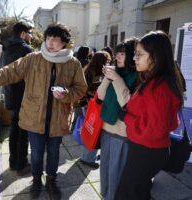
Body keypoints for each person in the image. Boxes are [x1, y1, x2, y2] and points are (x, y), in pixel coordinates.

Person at [0, 23, 87, 200]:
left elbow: (80, 88)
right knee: (37, 154)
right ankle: (37, 181)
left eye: (55, 39)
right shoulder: (33, 58)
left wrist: (66, 94)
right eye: (48, 38)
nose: (50, 43)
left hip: (58, 118)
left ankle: (52, 181)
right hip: (34, 118)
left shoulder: (73, 63)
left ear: (64, 43)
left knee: (54, 154)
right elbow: (8, 72)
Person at [115, 31, 183, 200]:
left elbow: (153, 129)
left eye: (140, 54)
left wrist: (126, 117)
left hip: (147, 151)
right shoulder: (158, 82)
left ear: (155, 57)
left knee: (127, 194)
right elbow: (169, 122)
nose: (134, 58)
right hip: (148, 149)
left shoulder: (158, 88)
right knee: (138, 191)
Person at [97, 38, 137, 200]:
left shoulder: (137, 76)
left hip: (122, 132)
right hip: (106, 127)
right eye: (116, 54)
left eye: (122, 54)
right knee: (105, 170)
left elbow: (128, 103)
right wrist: (108, 77)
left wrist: (117, 79)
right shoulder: (116, 72)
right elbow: (100, 96)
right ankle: (105, 195)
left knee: (116, 173)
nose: (117, 57)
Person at [0, 22, 33, 176]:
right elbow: (33, 76)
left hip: (10, 95)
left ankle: (13, 162)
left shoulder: (5, 48)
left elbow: (1, 71)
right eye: (29, 33)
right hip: (23, 96)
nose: (31, 36)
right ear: (22, 34)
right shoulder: (26, 49)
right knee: (23, 132)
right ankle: (21, 164)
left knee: (14, 130)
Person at [77, 51, 112, 169]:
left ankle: (87, 156)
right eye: (107, 61)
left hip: (92, 107)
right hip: (91, 107)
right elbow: (84, 91)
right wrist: (86, 104)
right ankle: (87, 158)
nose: (108, 63)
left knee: (91, 130)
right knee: (93, 131)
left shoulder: (92, 70)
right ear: (100, 61)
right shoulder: (92, 73)